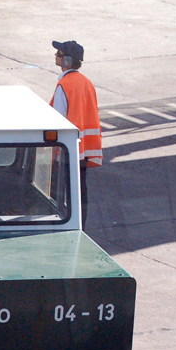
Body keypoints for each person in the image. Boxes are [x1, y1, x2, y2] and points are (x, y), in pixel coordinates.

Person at [50, 40, 102, 226]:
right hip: (84, 150)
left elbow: (58, 120)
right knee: (80, 191)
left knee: (57, 193)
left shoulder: (65, 85)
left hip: (67, 150)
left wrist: (55, 152)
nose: (55, 56)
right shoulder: (87, 83)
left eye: (59, 54)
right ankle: (82, 225)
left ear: (66, 61)